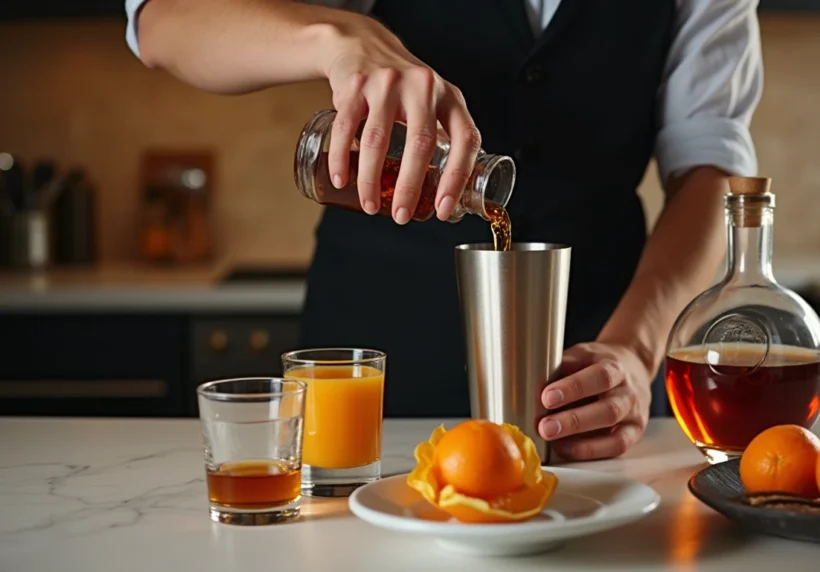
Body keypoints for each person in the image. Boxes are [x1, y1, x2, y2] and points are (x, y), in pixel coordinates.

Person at [126, 0, 763, 461]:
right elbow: (162, 22)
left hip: (594, 382)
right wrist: (336, 35)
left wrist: (636, 349)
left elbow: (712, 172)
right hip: (373, 375)